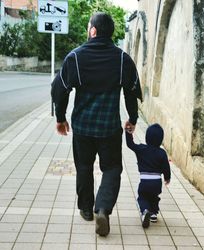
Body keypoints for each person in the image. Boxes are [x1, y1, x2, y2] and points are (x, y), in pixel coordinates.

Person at [51, 12, 142, 237]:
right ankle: (102, 208)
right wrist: (132, 118)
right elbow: (132, 91)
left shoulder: (76, 57)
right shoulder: (122, 59)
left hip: (82, 127)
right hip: (109, 128)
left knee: (84, 166)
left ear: (93, 31)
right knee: (112, 168)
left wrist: (60, 118)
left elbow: (60, 90)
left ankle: (85, 209)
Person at [125, 123, 171, 228]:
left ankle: (145, 211)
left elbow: (130, 144)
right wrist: (167, 178)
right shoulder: (162, 153)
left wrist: (128, 132)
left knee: (142, 197)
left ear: (146, 137)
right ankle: (153, 214)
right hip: (156, 181)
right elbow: (166, 167)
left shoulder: (141, 149)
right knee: (154, 197)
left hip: (145, 180)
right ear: (161, 139)